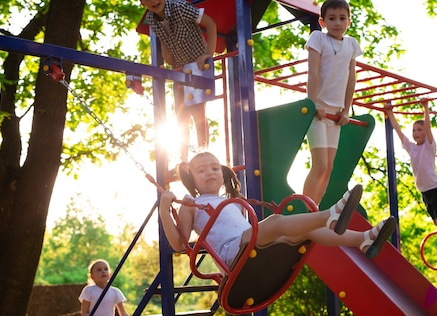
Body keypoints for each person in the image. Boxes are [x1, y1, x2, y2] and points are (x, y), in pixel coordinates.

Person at [158, 152, 396, 267]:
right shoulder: (191, 202)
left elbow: (250, 230)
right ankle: (329, 215)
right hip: (233, 254)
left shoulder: (231, 202)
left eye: (214, 168)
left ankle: (363, 240)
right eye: (202, 170)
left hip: (251, 247)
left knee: (301, 231)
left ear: (222, 174)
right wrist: (165, 210)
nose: (210, 172)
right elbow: (180, 244)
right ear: (192, 178)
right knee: (276, 222)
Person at [385, 100, 437, 269]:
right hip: (425, 192)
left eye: (419, 130)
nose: (416, 133)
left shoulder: (429, 146)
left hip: (436, 189)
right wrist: (390, 113)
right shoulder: (411, 148)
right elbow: (398, 131)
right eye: (414, 130)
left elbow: (428, 128)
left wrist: (426, 108)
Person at [140, 0, 217, 162]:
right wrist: (165, 51)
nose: (154, 1)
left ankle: (203, 154)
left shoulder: (179, 7)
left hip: (198, 66)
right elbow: (163, 38)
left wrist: (208, 55)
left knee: (198, 112)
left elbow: (210, 24)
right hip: (180, 70)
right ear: (142, 3)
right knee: (181, 115)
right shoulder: (152, 19)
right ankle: (184, 160)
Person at [302, 0, 362, 205]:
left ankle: (314, 208)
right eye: (332, 18)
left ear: (349, 21)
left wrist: (346, 109)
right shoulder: (318, 38)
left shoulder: (352, 44)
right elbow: (313, 72)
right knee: (319, 165)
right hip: (318, 111)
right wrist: (313, 104)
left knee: (328, 168)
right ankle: (304, 209)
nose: (337, 22)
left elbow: (351, 78)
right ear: (322, 21)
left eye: (342, 18)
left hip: (335, 113)